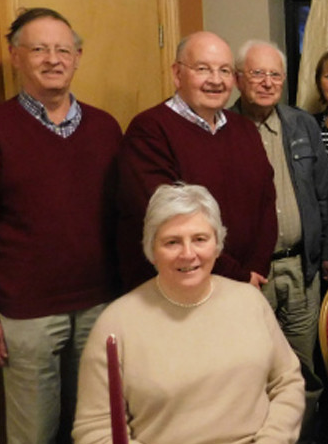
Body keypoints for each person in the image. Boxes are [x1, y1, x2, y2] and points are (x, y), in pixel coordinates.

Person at [0, 8, 122, 444]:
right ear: (16, 57)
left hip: (99, 306)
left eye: (63, 49)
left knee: (92, 432)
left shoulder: (106, 127)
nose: (53, 59)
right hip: (25, 315)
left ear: (78, 57)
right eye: (39, 49)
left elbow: (122, 218)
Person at [72, 184, 302, 444]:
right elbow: (93, 436)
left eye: (199, 239)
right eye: (171, 242)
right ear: (151, 249)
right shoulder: (116, 324)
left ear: (217, 244)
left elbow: (288, 384)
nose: (188, 254)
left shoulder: (249, 300)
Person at [234, 40, 328, 444]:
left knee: (304, 370)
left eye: (274, 75)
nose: (266, 83)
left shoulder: (301, 125)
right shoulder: (223, 126)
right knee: (252, 370)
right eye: (257, 74)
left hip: (301, 269)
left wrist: (327, 252)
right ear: (240, 77)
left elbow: (324, 196)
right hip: (249, 276)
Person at [116, 31, 277, 291]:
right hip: (179, 286)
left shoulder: (244, 129)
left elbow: (267, 201)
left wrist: (256, 268)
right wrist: (236, 275)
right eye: (203, 69)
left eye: (224, 71)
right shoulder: (149, 130)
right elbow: (167, 219)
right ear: (177, 74)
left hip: (246, 284)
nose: (216, 80)